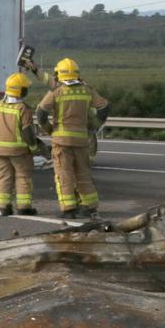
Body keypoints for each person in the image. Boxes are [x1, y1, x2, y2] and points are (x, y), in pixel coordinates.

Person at [36, 58, 110, 218]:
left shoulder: (56, 91)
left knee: (64, 175)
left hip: (61, 141)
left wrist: (49, 130)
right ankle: (89, 206)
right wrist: (93, 126)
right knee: (83, 174)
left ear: (59, 74)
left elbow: (41, 113)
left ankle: (69, 209)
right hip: (82, 141)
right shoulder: (87, 90)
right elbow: (104, 107)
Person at [0, 73, 40, 216]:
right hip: (19, 151)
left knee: (3, 177)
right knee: (23, 177)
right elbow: (27, 131)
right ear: (21, 90)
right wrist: (33, 147)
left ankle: (4, 206)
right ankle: (24, 207)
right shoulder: (23, 109)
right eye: (25, 88)